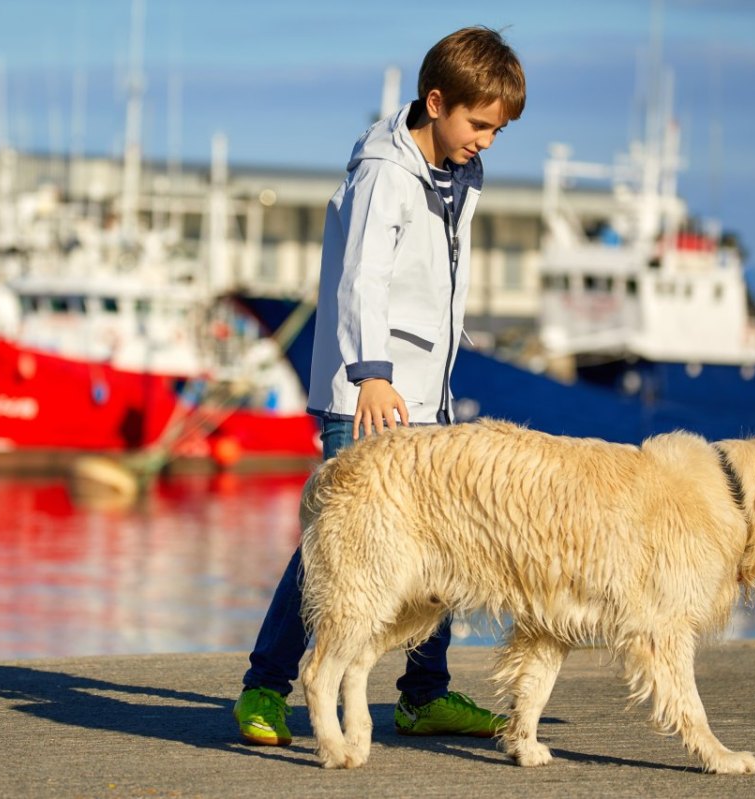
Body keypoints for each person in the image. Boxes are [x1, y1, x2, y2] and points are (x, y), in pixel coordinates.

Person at [233, 27, 526, 745]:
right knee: (336, 547)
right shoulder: (384, 174)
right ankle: (263, 688)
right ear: (436, 102)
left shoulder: (460, 173)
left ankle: (424, 693)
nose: (487, 140)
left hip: (429, 392)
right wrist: (369, 373)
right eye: (480, 123)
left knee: (440, 542)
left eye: (498, 128)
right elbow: (361, 275)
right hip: (369, 393)